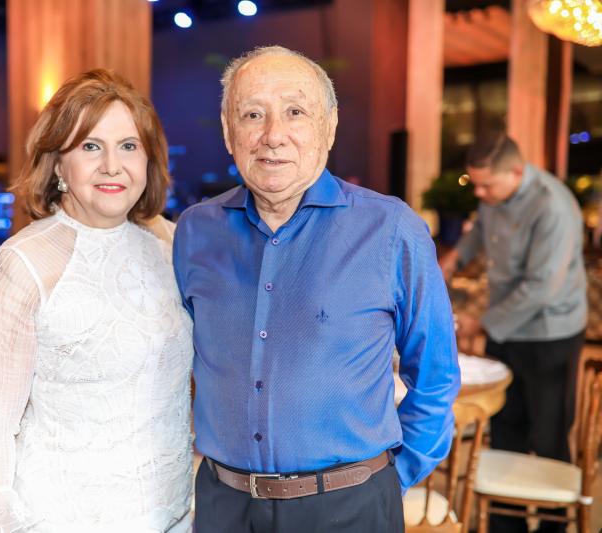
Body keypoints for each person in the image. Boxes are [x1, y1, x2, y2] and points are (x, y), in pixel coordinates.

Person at [173, 46, 460, 532]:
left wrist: (390, 481)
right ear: (228, 131)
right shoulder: (195, 231)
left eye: (295, 112)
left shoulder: (390, 230)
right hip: (224, 506)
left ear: (329, 126)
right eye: (252, 114)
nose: (273, 135)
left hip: (350, 508)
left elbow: (435, 377)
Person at [0, 69, 194, 533]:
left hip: (170, 509)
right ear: (57, 165)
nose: (112, 165)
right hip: (64, 515)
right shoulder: (21, 264)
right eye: (90, 146)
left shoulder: (171, 245)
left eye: (128, 146)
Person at [440, 133, 587, 533]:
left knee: (548, 434)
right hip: (506, 328)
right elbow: (478, 232)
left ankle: (554, 527)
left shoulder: (552, 206)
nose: (480, 193)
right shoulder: (493, 198)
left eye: (486, 185)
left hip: (549, 333)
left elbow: (541, 288)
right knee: (505, 426)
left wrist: (481, 323)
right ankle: (506, 526)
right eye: (476, 185)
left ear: (517, 172)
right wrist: (453, 258)